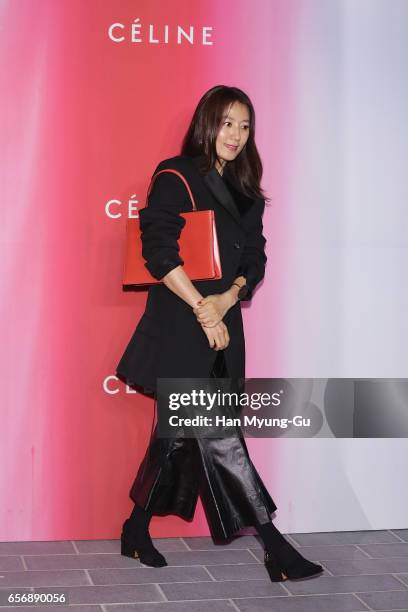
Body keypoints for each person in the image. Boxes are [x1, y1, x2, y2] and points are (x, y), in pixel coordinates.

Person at [116, 85, 323, 582]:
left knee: (176, 439)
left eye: (245, 125)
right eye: (228, 123)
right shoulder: (176, 174)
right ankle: (275, 546)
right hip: (182, 324)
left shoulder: (249, 191)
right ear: (207, 124)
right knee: (220, 436)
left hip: (224, 325)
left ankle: (134, 529)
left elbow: (256, 259)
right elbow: (159, 251)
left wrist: (227, 300)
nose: (236, 135)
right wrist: (203, 310)